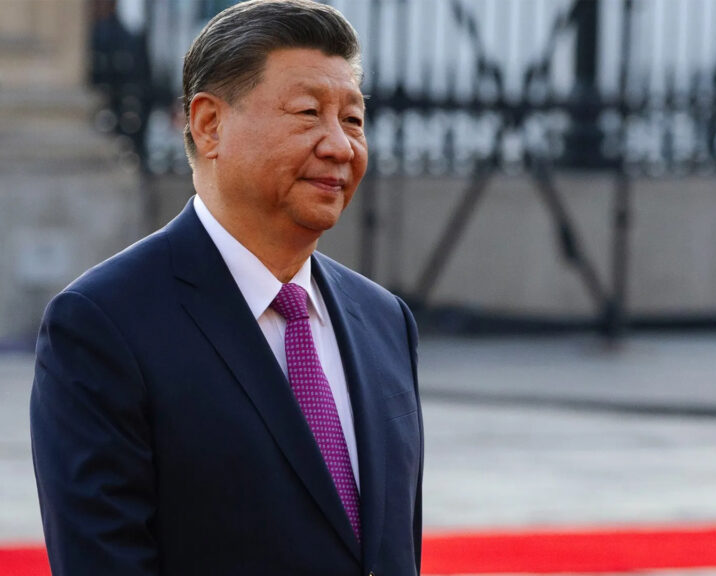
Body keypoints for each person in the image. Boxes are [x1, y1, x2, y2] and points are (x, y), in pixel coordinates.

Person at [30, 1, 423, 575]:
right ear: (209, 124)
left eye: (354, 119)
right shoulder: (104, 324)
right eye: (309, 112)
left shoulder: (383, 320)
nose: (340, 146)